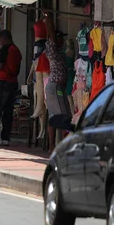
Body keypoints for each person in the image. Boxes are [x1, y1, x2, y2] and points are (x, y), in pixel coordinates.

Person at [43, 13, 72, 152]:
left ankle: (53, 146)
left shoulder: (57, 51)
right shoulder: (52, 48)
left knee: (55, 116)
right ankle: (59, 146)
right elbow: (51, 34)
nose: (63, 40)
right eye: (61, 38)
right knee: (63, 116)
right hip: (55, 87)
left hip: (55, 86)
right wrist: (48, 17)